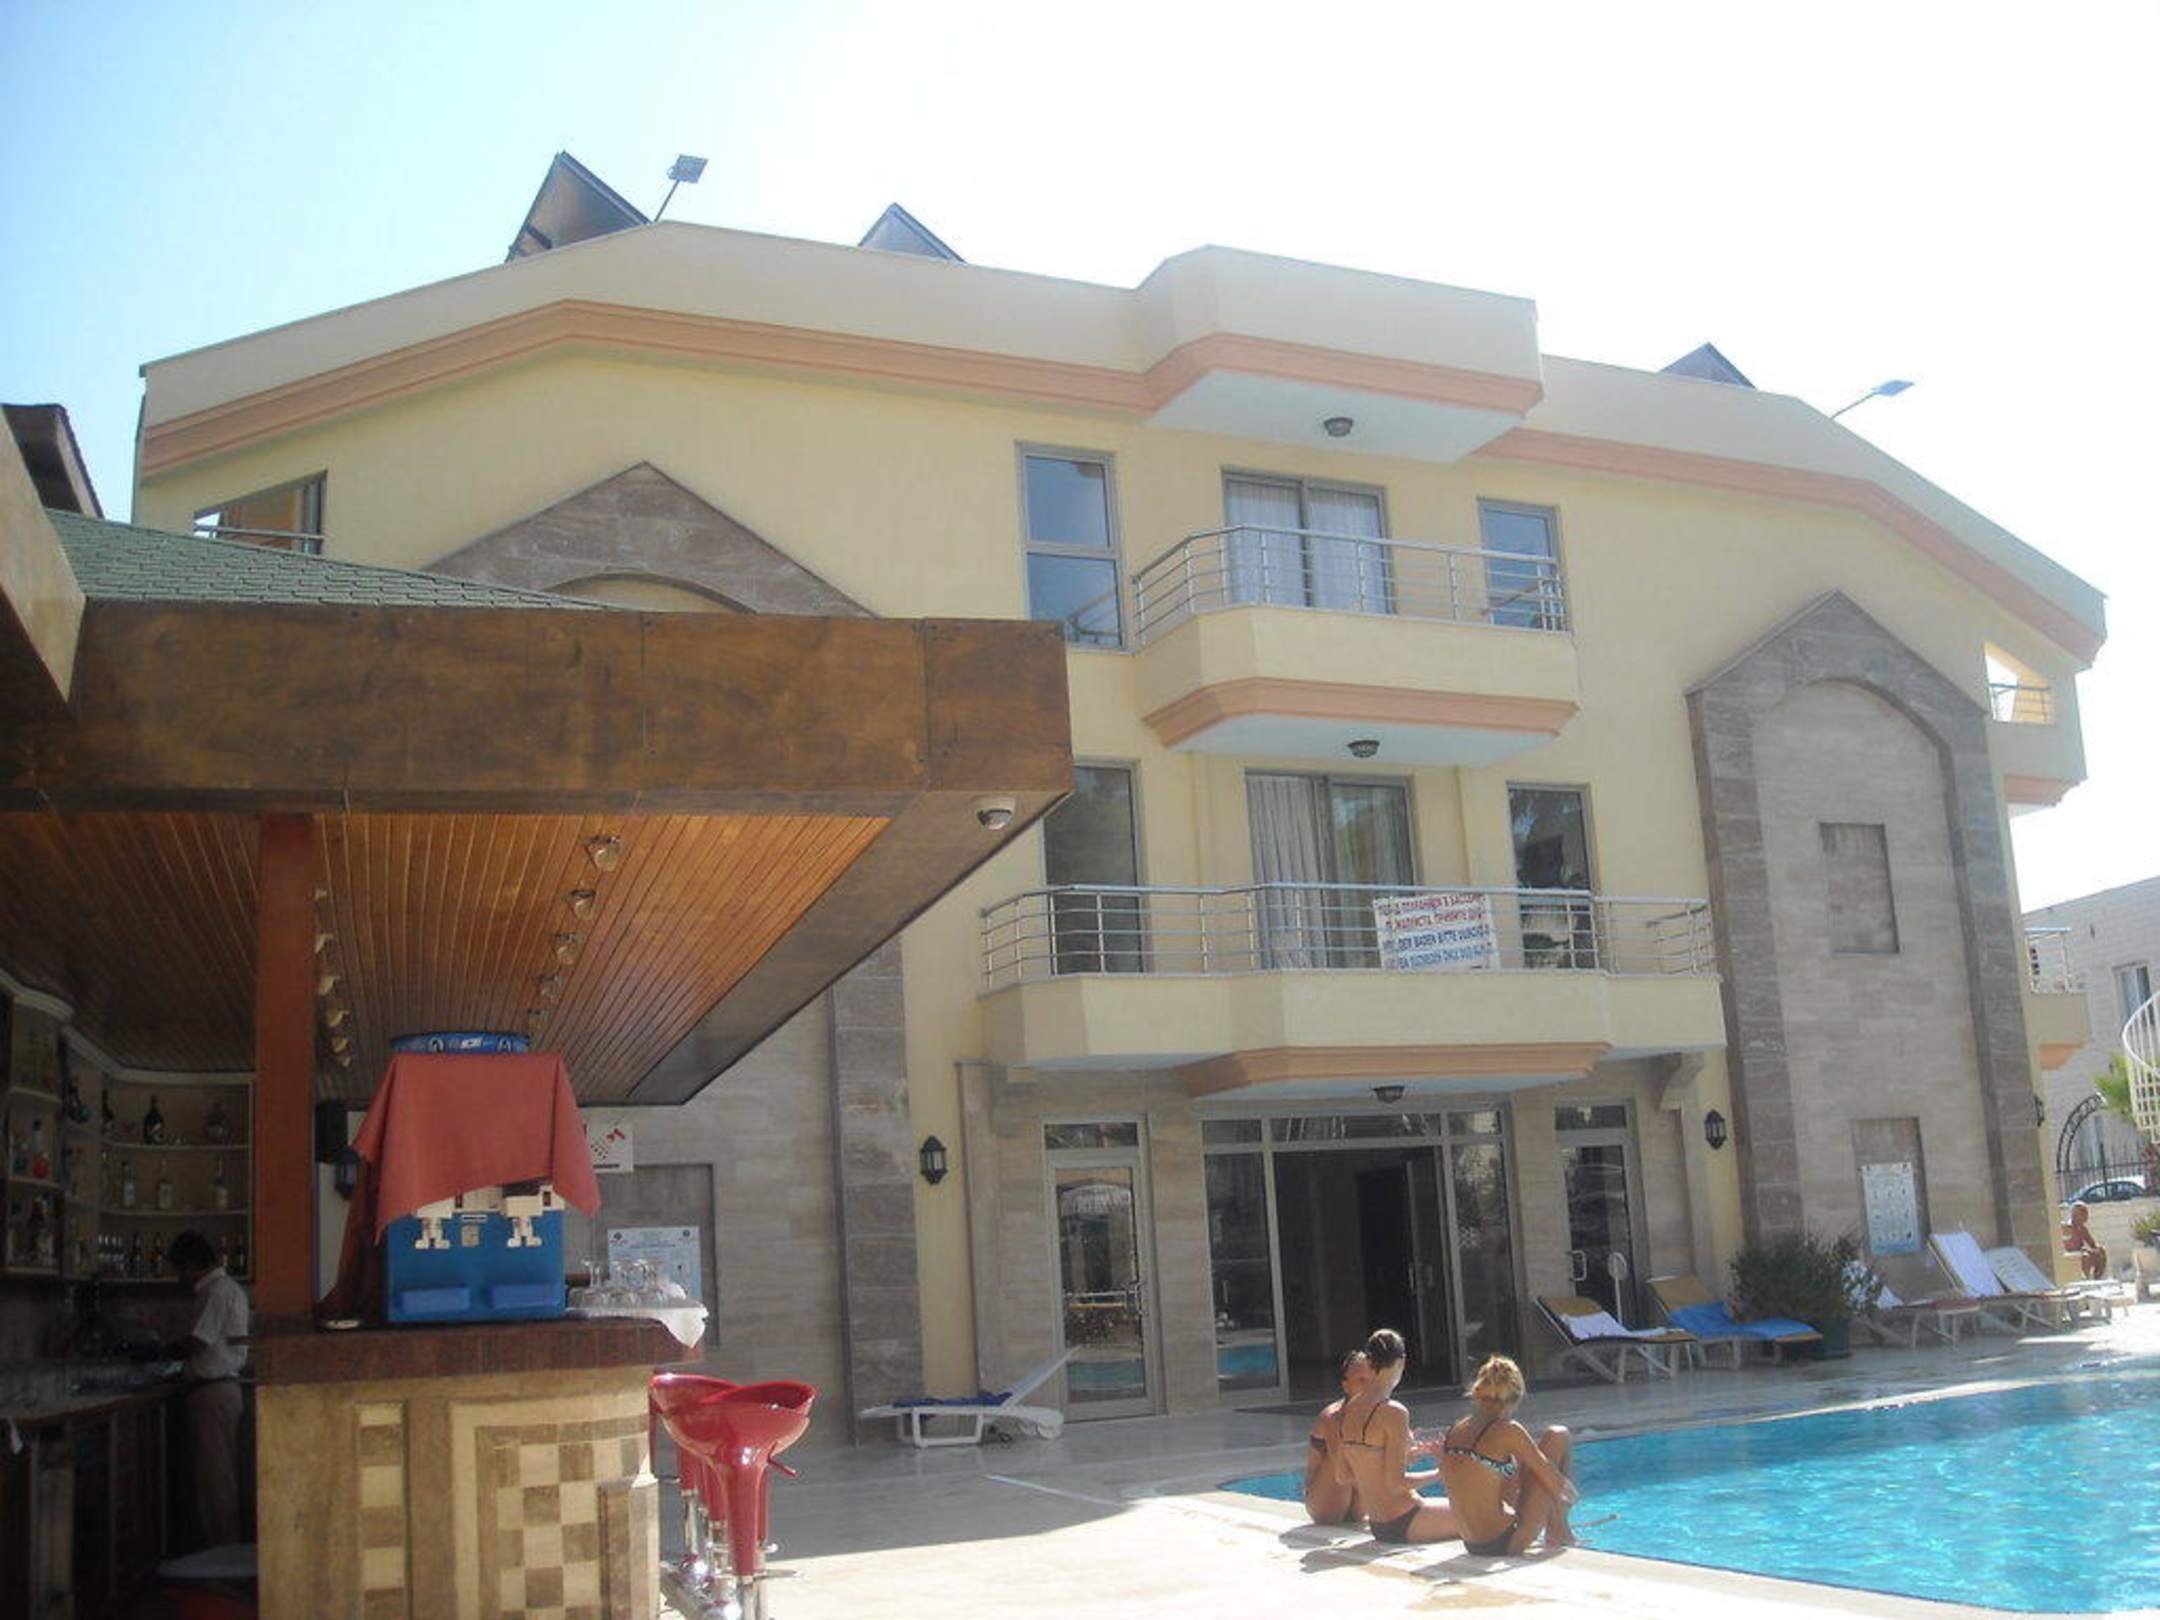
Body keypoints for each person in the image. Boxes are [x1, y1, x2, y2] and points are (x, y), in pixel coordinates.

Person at [1434, 1355, 1577, 1558]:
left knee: (1522, 1465)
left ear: (1476, 1392)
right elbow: (1559, 1487)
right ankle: (1560, 1530)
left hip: (1472, 1543)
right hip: (1504, 1541)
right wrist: (1566, 1498)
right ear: (1515, 1397)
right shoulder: (1508, 1430)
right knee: (1557, 1435)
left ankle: (1557, 1530)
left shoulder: (1457, 1428)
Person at [1332, 1328, 1460, 1545]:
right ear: (1401, 1361)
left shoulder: (1348, 1409)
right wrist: (1442, 1472)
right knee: (1485, 1514)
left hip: (1379, 1525)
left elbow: (1343, 1475)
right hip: (1406, 1519)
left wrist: (1390, 1459)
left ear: (1369, 1361)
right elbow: (1397, 1483)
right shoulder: (1394, 1412)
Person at [165, 1230, 250, 1548]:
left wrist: (161, 1351)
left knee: (215, 1482)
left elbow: (199, 1342)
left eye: (180, 1270)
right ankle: (220, 1548)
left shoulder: (216, 1291)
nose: (180, 1278)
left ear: (189, 1265)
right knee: (217, 1477)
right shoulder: (227, 1289)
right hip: (220, 1392)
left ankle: (220, 1553)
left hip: (213, 1392)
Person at [1304, 1348, 1372, 1524]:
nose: (1367, 1386)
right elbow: (1343, 1472)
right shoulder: (1332, 1416)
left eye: (1372, 1380)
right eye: (1361, 1380)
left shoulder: (1382, 1414)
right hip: (1325, 1504)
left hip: (1358, 1499)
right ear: (1345, 1385)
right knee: (1344, 1451)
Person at [2064, 1202, 2110, 1281]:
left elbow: (2092, 1243)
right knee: (2086, 1256)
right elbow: (2068, 1246)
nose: (2086, 1217)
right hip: (2073, 1254)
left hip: (2082, 1252)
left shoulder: (2082, 1228)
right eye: (2083, 1214)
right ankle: (2086, 1279)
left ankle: (2097, 1278)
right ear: (2075, 1215)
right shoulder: (2067, 1228)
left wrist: (2099, 1248)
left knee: (2101, 1252)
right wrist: (2083, 1250)